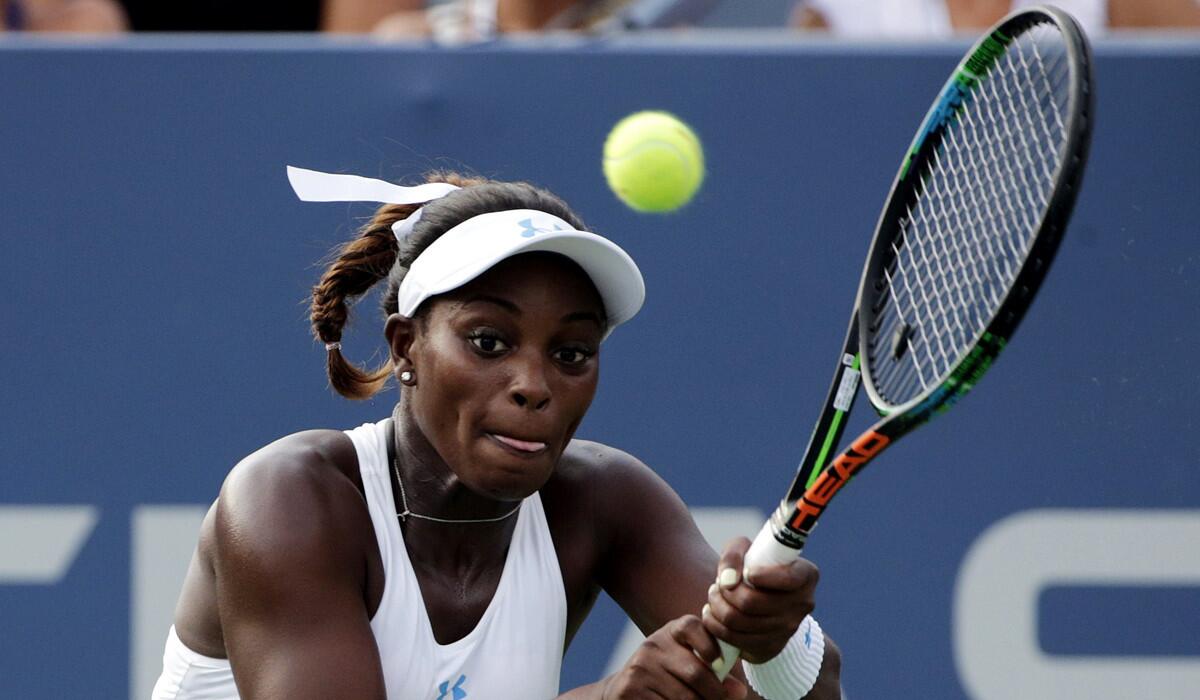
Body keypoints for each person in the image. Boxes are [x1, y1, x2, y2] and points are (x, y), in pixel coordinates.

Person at [151, 165, 842, 699]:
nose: (533, 385)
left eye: (571, 354)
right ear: (404, 348)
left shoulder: (605, 500)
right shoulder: (287, 500)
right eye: (488, 341)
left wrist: (774, 644)